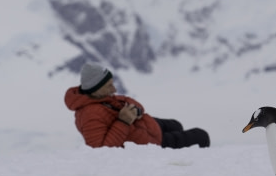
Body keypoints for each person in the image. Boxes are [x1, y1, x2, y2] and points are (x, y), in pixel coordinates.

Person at [64, 63, 210, 149]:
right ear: (95, 88)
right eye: (109, 86)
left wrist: (136, 110)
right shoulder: (90, 115)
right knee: (201, 136)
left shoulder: (101, 97)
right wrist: (123, 122)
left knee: (176, 125)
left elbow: (126, 99)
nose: (114, 90)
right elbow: (101, 150)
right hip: (149, 145)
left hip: (145, 126)